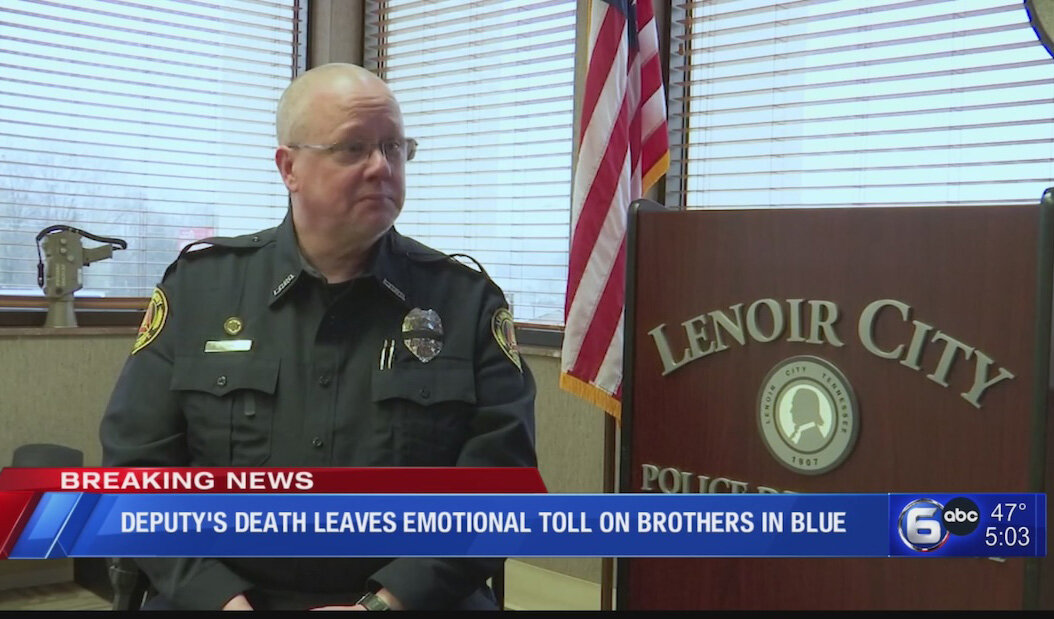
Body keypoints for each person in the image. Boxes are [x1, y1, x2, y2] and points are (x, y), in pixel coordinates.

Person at [99, 63, 537, 611]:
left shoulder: (466, 301)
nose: (382, 167)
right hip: (221, 596)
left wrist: (385, 605)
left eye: (395, 147)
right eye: (353, 148)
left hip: (414, 599)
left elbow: (500, 485)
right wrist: (220, 601)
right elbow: (136, 472)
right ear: (289, 168)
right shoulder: (199, 291)